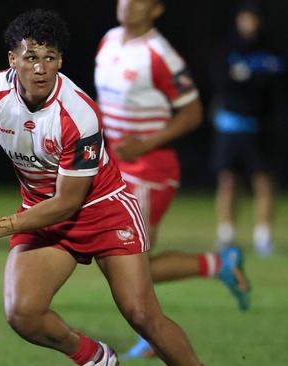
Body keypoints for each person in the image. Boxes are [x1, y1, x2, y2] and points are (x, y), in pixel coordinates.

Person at [0, 9, 202, 366]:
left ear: (60, 61)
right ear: (13, 59)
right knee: (23, 314)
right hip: (42, 212)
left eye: (49, 58)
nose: (40, 68)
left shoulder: (79, 114)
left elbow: (68, 203)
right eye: (31, 58)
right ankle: (97, 358)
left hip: (103, 209)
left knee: (142, 315)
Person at [93, 0, 251, 358]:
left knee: (131, 263)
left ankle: (155, 330)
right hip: (114, 166)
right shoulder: (109, 40)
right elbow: (106, 103)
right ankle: (217, 267)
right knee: (127, 263)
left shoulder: (160, 54)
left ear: (156, 9)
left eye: (139, 1)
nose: (128, 6)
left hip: (149, 171)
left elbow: (193, 113)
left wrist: (145, 142)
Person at [211, 3, 284, 257]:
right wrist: (250, 82)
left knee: (263, 181)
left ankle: (263, 237)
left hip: (260, 128)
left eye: (253, 18)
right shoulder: (227, 48)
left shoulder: (271, 51)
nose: (249, 23)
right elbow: (222, 83)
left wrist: (248, 80)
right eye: (245, 18)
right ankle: (226, 234)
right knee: (228, 181)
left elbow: (274, 88)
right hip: (230, 127)